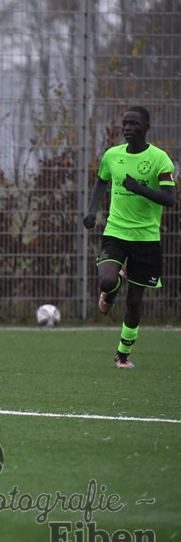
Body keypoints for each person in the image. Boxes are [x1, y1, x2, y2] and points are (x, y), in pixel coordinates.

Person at [83, 105, 176, 369]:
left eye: (134, 124)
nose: (127, 129)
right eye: (124, 124)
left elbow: (170, 199)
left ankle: (123, 354)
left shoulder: (160, 159)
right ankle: (111, 290)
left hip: (146, 238)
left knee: (135, 302)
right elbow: (102, 181)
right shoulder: (112, 155)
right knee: (106, 280)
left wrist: (138, 188)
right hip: (116, 231)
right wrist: (91, 212)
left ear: (146, 128)